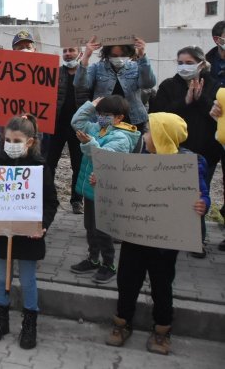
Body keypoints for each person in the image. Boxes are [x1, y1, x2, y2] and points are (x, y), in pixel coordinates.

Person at [105, 112, 209, 355]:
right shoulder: (138, 159)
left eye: (150, 131)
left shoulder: (189, 164)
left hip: (165, 242)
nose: (145, 134)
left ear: (162, 136)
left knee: (162, 285)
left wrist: (202, 203)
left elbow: (202, 193)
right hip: (135, 235)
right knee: (127, 281)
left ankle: (162, 330)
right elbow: (119, 186)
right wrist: (102, 183)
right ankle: (122, 323)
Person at [0, 114, 59, 350]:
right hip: (3, 233)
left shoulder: (40, 167)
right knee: (2, 277)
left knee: (28, 280)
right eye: (8, 140)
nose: (11, 145)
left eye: (16, 140)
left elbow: (51, 202)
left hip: (29, 235)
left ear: (30, 141)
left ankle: (30, 324)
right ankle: (1, 320)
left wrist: (42, 226)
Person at [149, 46, 217, 259]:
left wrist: (201, 99)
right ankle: (170, 234)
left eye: (189, 62)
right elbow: (159, 115)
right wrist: (186, 101)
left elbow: (216, 116)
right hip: (173, 151)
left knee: (198, 195)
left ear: (200, 63)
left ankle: (197, 238)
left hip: (205, 151)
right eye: (180, 62)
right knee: (172, 193)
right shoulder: (169, 85)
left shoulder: (212, 85)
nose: (184, 67)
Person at [70, 95, 140, 284]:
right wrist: (90, 105)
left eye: (107, 114)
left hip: (106, 191)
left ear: (120, 117)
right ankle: (93, 258)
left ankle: (108, 264)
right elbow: (77, 122)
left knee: (103, 230)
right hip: (90, 190)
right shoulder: (97, 128)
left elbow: (105, 158)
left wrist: (88, 143)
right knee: (90, 227)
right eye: (100, 113)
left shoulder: (122, 137)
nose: (101, 117)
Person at [75, 36, 156, 132]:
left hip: (134, 120)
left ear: (129, 54)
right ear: (107, 55)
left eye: (122, 55)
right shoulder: (97, 68)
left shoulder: (136, 67)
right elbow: (80, 85)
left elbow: (148, 83)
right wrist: (86, 57)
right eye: (114, 55)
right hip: (104, 121)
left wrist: (142, 56)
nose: (119, 59)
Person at [45, 45, 88, 214]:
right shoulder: (55, 73)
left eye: (72, 50)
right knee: (49, 164)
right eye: (65, 51)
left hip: (79, 128)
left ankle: (77, 200)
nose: (68, 54)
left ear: (80, 54)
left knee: (78, 165)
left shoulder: (87, 75)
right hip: (56, 126)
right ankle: (48, 198)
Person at [204, 20, 225, 252]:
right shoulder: (206, 64)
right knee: (202, 183)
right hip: (208, 133)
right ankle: (198, 234)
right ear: (217, 39)